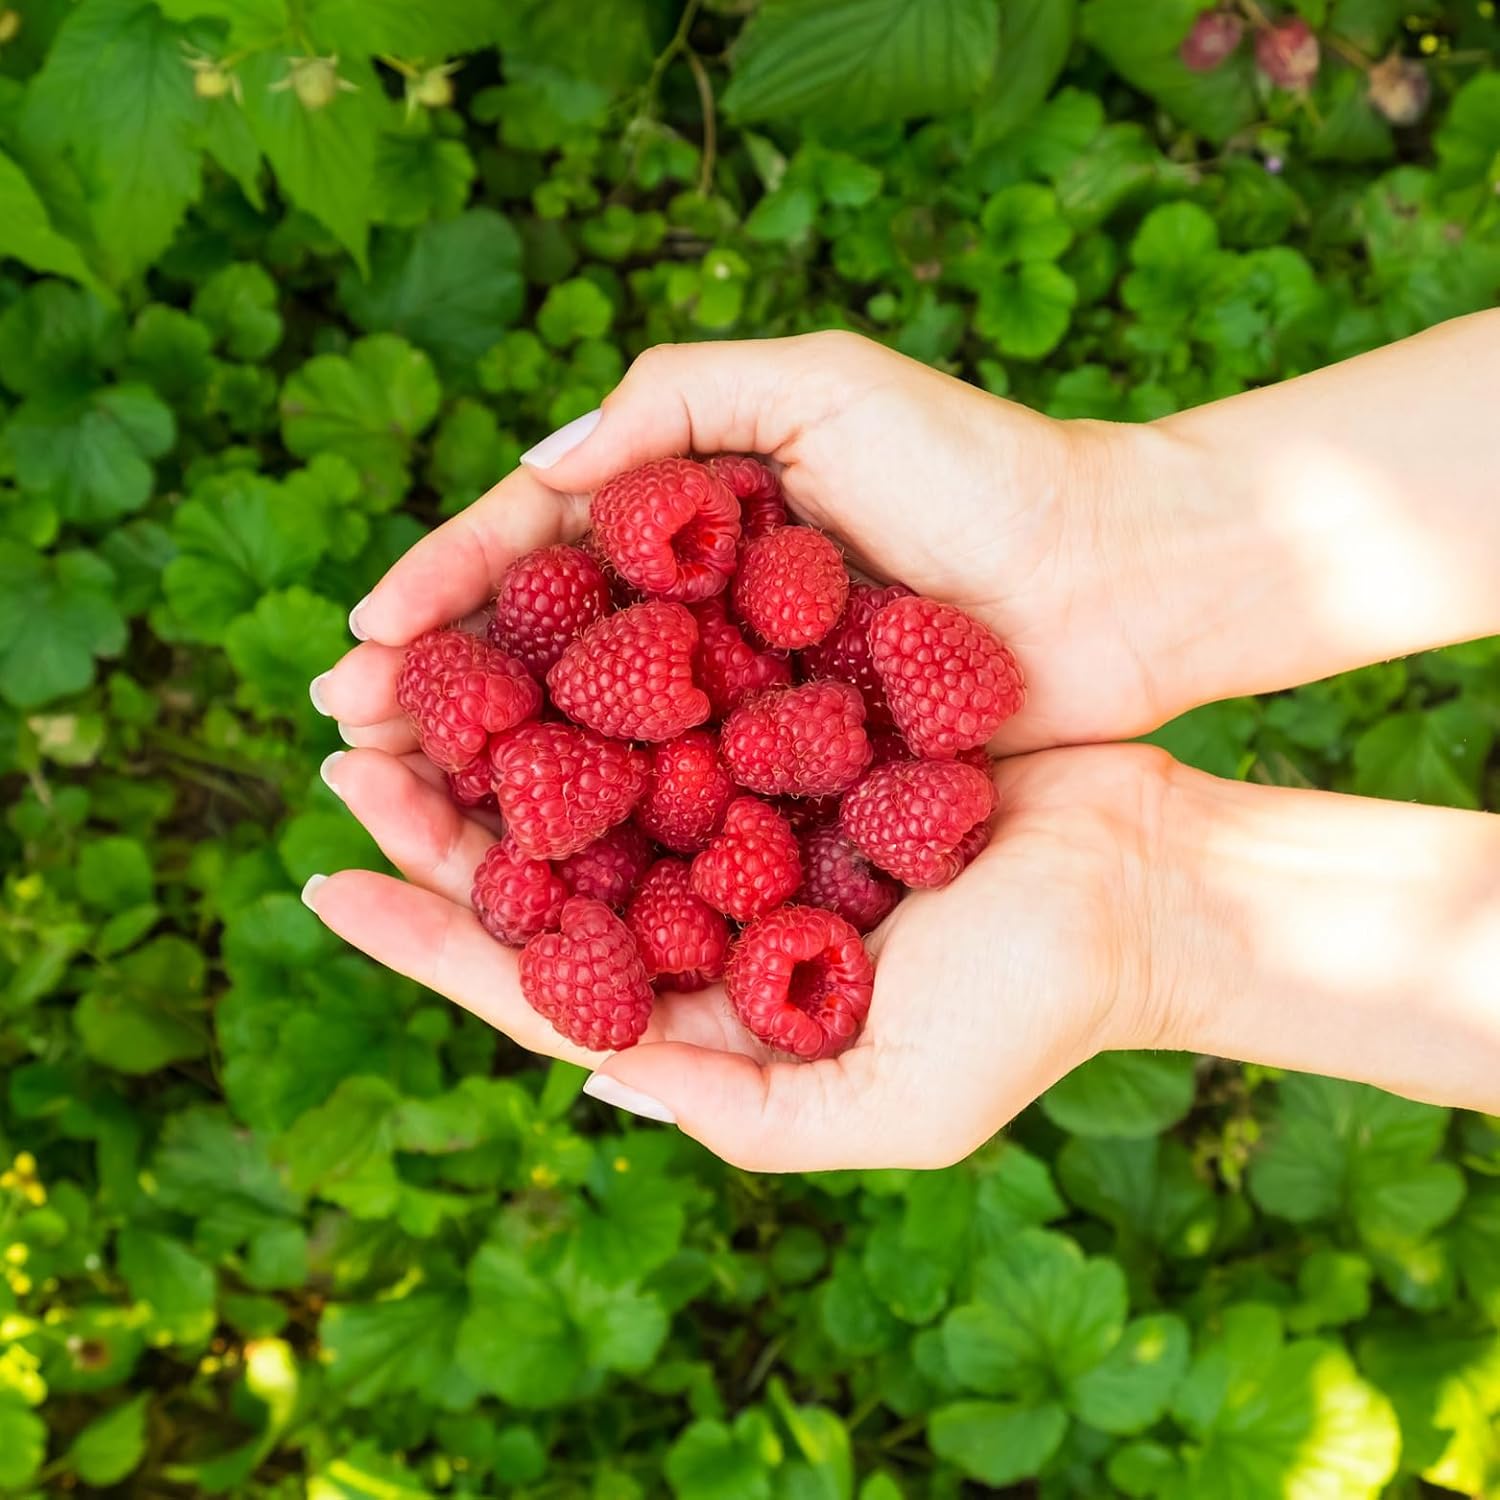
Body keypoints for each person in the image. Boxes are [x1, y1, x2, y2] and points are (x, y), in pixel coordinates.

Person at [303, 317, 1500, 1172]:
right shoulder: (687, 768)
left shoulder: (778, 698)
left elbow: (766, 724)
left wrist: (1105, 541)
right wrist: (1131, 916)